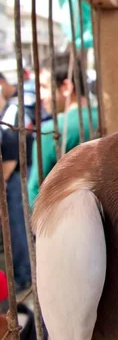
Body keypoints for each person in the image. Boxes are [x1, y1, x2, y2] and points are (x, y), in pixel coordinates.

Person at [27, 52, 99, 206]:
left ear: (66, 87)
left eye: (44, 86)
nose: (40, 95)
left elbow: (35, 194)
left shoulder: (51, 131)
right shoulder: (104, 118)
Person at [0, 89, 31, 293]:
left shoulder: (11, 113)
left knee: (17, 226)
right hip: (11, 177)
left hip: (15, 177)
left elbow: (11, 156)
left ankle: (23, 274)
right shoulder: (6, 113)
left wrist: (2, 181)